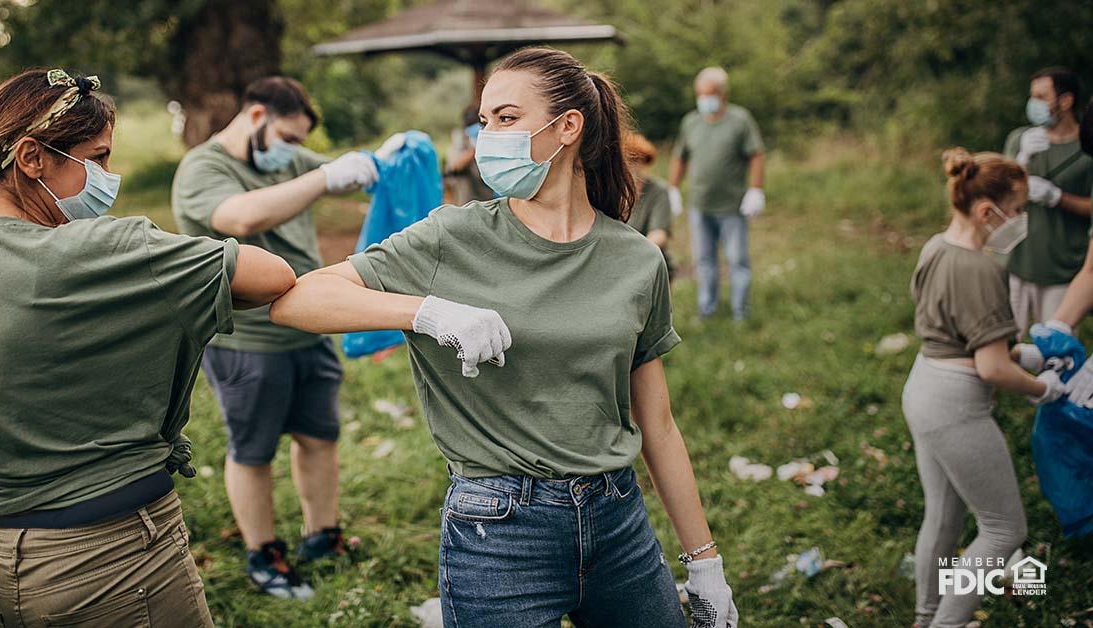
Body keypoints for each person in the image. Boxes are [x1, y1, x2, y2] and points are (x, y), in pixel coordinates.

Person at [269, 47, 737, 628]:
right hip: (498, 532)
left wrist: (704, 562)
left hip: (620, 522)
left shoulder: (637, 260)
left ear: (568, 127)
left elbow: (659, 425)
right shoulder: (452, 236)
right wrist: (429, 312)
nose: (488, 135)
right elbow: (298, 300)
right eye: (485, 121)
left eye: (507, 119)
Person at [0, 68, 300, 627]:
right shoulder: (107, 251)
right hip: (118, 560)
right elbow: (271, 275)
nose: (110, 176)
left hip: (11, 566)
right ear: (32, 158)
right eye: (99, 157)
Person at [170, 76, 401, 599]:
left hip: (310, 327)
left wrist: (377, 160)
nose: (295, 154)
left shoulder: (290, 159)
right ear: (256, 117)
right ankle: (264, 553)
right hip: (245, 339)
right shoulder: (204, 168)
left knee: (320, 437)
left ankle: (323, 536)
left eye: (301, 145)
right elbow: (241, 216)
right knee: (253, 450)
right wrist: (324, 176)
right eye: (289, 139)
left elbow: (332, 169)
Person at [902, 148, 1066, 628]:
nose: (1021, 220)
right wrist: (1043, 387)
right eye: (1017, 210)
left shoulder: (936, 246)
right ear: (985, 211)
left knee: (945, 515)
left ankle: (925, 615)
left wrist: (1020, 353)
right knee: (1004, 529)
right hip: (955, 407)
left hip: (924, 385)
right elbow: (992, 369)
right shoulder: (982, 269)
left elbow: (960, 335)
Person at [669, 66, 766, 321]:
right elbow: (680, 157)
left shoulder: (740, 120)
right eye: (700, 94)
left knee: (737, 260)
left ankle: (740, 312)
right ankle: (707, 309)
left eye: (709, 94)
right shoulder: (691, 122)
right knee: (704, 261)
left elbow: (756, 154)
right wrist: (673, 189)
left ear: (722, 94)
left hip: (732, 206)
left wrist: (756, 190)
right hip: (700, 205)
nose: (704, 99)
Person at [1002, 67, 1093, 338]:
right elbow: (997, 198)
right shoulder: (1021, 140)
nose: (1034, 104)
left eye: (1042, 96)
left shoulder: (1087, 147)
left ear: (1065, 101)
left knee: (1055, 348)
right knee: (1005, 343)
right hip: (1017, 262)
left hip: (1062, 268)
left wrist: (1057, 197)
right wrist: (1020, 162)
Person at [623, 132, 677, 277]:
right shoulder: (611, 189)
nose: (632, 166)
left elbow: (659, 234)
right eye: (627, 160)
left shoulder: (659, 190)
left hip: (648, 258)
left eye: (636, 160)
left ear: (644, 162)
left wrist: (633, 254)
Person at [444, 103, 495, 204]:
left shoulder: (492, 143)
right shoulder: (461, 143)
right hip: (466, 201)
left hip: (489, 199)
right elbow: (453, 166)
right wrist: (475, 151)